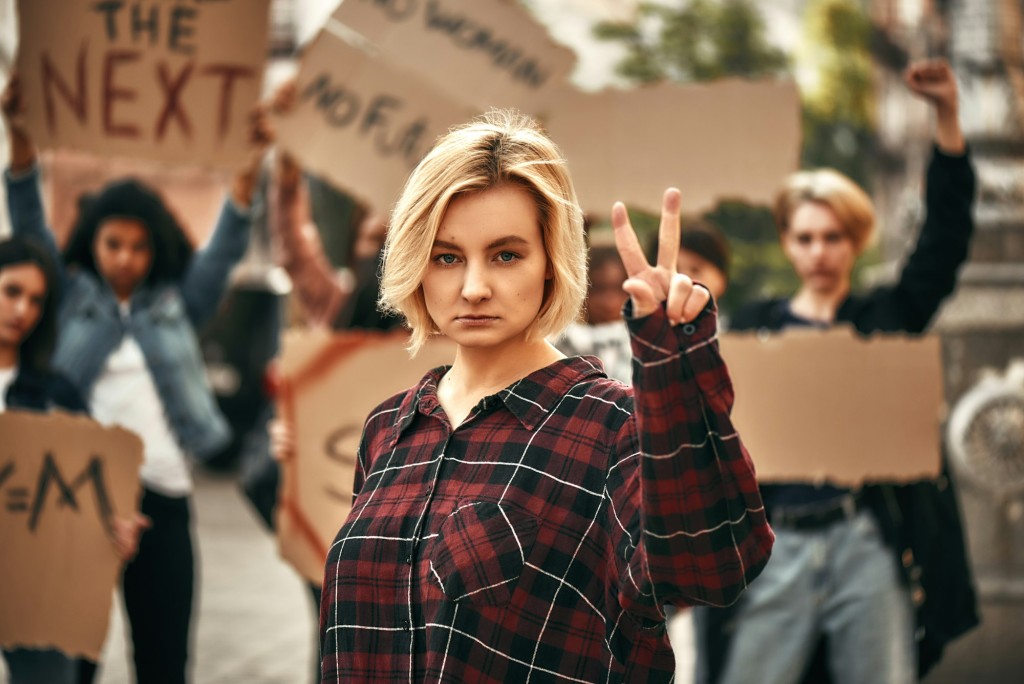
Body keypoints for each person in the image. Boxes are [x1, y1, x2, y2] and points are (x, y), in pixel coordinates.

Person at [317, 109, 774, 682]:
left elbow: (712, 566)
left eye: (506, 255)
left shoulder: (615, 427)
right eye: (447, 256)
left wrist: (674, 363)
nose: (474, 287)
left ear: (552, 265)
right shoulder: (388, 428)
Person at [694, 59, 979, 684]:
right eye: (805, 237)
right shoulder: (753, 326)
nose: (819, 251)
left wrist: (948, 120)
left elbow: (944, 243)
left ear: (853, 242)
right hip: (775, 546)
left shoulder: (884, 316)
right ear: (788, 243)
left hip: (866, 541)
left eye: (833, 237)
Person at [2, 73, 266, 684]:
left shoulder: (180, 303)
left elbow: (227, 245)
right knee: (73, 660)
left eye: (139, 246)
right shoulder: (67, 298)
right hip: (78, 499)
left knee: (165, 662)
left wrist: (251, 162)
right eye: (112, 242)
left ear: (157, 250)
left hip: (165, 501)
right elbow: (28, 220)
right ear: (91, 242)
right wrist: (19, 135)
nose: (125, 257)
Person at [0, 237, 142, 684]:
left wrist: (114, 527)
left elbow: (87, 488)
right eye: (11, 292)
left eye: (37, 300)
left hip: (37, 593)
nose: (23, 310)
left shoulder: (57, 393)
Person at [554, 240, 632, 383]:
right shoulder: (560, 343)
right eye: (599, 289)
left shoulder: (645, 345)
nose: (610, 302)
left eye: (620, 289)